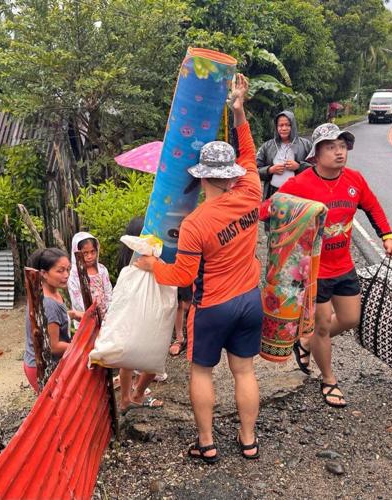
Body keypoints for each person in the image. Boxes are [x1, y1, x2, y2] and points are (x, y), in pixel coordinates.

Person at [135, 74, 262, 463]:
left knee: (202, 373)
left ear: (202, 175)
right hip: (250, 300)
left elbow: (183, 278)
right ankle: (248, 441)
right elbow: (250, 155)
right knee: (243, 372)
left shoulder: (196, 223)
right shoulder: (253, 190)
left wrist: (151, 263)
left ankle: (206, 443)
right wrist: (238, 110)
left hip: (213, 307)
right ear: (232, 174)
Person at [264, 122, 392, 408]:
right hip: (315, 271)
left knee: (350, 319)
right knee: (323, 326)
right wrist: (240, 216)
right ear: (316, 154)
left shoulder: (355, 179)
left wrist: (386, 235)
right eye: (331, 147)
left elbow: (372, 206)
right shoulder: (301, 183)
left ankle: (306, 342)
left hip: (344, 265)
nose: (339, 153)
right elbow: (272, 208)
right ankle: (328, 379)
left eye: (342, 146)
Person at [115, 215, 164, 413]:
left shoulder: (134, 262)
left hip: (136, 314)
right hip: (143, 314)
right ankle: (132, 396)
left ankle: (131, 396)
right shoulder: (136, 264)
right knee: (149, 356)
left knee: (135, 358)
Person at [23, 248, 82, 393]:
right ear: (43, 273)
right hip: (41, 367)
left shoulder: (50, 293)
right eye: (60, 271)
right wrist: (83, 347)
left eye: (68, 270)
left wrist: (73, 314)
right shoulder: (48, 304)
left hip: (43, 362)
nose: (66, 275)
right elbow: (53, 346)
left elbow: (54, 321)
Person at [256, 110, 313, 199]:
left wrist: (299, 166)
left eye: (287, 125)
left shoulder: (306, 144)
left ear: (293, 126)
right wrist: (269, 170)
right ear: (276, 127)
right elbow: (254, 170)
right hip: (273, 195)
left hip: (299, 195)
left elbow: (317, 170)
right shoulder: (267, 146)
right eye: (280, 125)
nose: (284, 128)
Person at [67, 232, 113, 322]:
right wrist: (92, 315)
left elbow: (108, 292)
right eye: (85, 253)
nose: (90, 256)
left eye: (93, 252)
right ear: (77, 253)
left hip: (105, 318)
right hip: (85, 319)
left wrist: (108, 312)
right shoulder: (74, 275)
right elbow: (77, 301)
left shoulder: (102, 270)